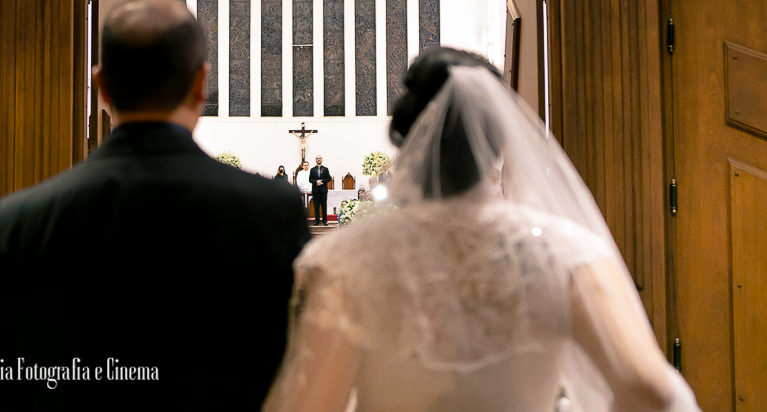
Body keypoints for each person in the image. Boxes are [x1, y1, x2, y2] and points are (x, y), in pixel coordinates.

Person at [263, 47, 701, 412]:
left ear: (405, 140)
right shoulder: (564, 252)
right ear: (499, 137)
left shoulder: (346, 262)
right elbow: (651, 392)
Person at [0, 0, 310, 412]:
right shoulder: (272, 210)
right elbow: (301, 370)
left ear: (101, 86)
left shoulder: (23, 218)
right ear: (201, 83)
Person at [309, 155, 331, 227]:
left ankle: (325, 220)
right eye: (317, 158)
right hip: (315, 190)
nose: (318, 159)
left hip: (323, 190)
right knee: (316, 206)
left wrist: (322, 181)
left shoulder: (325, 169)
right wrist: (316, 182)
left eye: (319, 158)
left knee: (324, 205)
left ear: (322, 159)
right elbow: (310, 179)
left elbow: (329, 178)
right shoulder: (312, 169)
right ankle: (316, 220)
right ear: (315, 160)